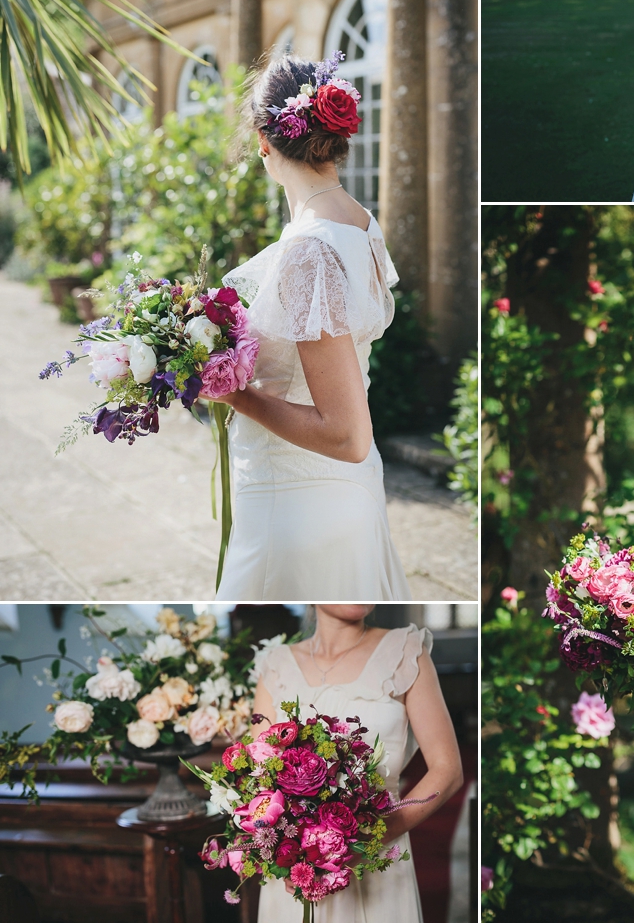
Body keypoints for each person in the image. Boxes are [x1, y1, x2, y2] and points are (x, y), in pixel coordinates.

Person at [209, 53, 410, 601]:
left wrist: (236, 396)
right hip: (344, 495)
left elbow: (346, 434)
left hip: (297, 503)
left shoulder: (309, 250)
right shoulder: (360, 224)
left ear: (264, 143)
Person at [250, 604, 464, 922]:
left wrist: (364, 840)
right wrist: (288, 848)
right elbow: (260, 780)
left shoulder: (405, 651)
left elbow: (448, 771)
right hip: (298, 868)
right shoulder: (276, 665)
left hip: (376, 856)